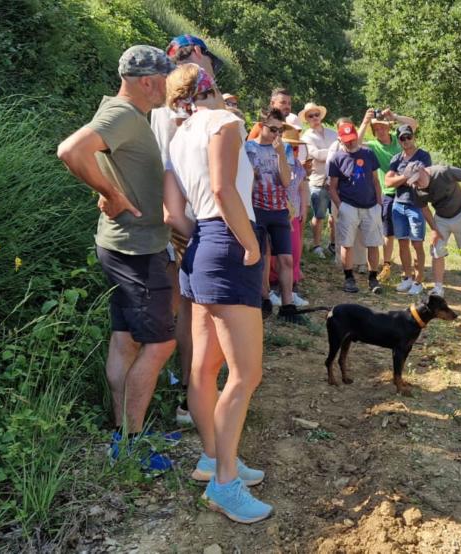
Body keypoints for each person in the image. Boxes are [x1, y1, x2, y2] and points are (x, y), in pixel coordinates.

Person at [56, 45, 177, 471]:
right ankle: (130, 444)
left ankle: (124, 433)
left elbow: (103, 160)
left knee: (126, 339)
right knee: (160, 343)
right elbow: (70, 151)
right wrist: (111, 193)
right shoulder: (123, 114)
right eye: (165, 80)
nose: (169, 87)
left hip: (123, 244)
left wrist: (110, 191)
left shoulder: (123, 112)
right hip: (136, 249)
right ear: (149, 82)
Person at [165, 63, 272, 523]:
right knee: (245, 375)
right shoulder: (225, 122)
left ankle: (214, 459)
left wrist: (206, 242)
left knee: (205, 366)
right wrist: (250, 245)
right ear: (211, 87)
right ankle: (224, 484)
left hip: (201, 247)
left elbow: (173, 213)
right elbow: (224, 189)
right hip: (228, 242)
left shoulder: (179, 135)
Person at [151, 34, 224, 427]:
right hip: (195, 214)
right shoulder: (189, 101)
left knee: (186, 305)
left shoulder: (164, 102)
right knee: (200, 310)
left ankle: (188, 387)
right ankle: (194, 394)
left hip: (180, 211)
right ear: (196, 55)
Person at [244, 107, 300, 322]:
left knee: (286, 258)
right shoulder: (248, 148)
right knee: (260, 256)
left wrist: (280, 155)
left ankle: (288, 305)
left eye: (280, 130)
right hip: (257, 209)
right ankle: (263, 299)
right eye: (273, 129)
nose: (276, 134)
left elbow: (286, 181)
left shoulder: (284, 148)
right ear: (261, 125)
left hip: (278, 210)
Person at [400, 161, 461, 301]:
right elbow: (424, 208)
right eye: (413, 182)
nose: (416, 184)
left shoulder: (442, 172)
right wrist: (434, 229)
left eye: (417, 180)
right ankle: (438, 288)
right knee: (437, 251)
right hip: (441, 218)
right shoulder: (416, 188)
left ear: (423, 170)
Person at [362, 108, 419, 283]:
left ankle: (413, 268)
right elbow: (355, 142)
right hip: (388, 192)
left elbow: (413, 125)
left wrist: (394, 116)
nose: (380, 130)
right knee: (389, 232)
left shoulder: (400, 139)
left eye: (383, 127)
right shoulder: (372, 146)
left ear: (389, 127)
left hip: (409, 191)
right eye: (376, 128)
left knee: (411, 232)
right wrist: (365, 121)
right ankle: (386, 265)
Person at [327, 118, 384, 294]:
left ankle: (373, 278)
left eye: (352, 138)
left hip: (371, 205)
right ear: (340, 139)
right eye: (346, 140)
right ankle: (349, 278)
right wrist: (341, 206)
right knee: (347, 244)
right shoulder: (336, 158)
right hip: (349, 206)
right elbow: (332, 187)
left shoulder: (368, 153)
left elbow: (376, 180)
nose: (350, 142)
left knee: (373, 243)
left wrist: (379, 203)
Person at [267, 113, 310, 308]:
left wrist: (303, 210)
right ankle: (274, 290)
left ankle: (291, 290)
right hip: (280, 212)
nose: (293, 149)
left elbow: (301, 187)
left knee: (294, 252)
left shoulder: (298, 163)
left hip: (295, 215)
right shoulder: (275, 159)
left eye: (296, 146)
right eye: (290, 145)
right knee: (277, 254)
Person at [384, 124, 432, 295]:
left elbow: (423, 180)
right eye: (402, 138)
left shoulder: (423, 156)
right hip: (398, 204)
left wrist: (400, 178)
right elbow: (388, 182)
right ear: (399, 140)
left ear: (413, 137)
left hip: (417, 205)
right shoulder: (396, 159)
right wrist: (406, 176)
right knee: (402, 243)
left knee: (417, 244)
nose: (406, 140)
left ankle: (418, 281)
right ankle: (407, 278)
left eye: (408, 137)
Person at [300, 102, 336, 258]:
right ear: (307, 119)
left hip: (335, 181)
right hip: (318, 181)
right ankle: (316, 245)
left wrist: (330, 152)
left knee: (335, 216)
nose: (315, 117)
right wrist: (335, 150)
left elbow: (340, 151)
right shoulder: (306, 137)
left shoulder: (333, 133)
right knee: (319, 216)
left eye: (317, 114)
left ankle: (333, 244)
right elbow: (317, 155)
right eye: (311, 116)